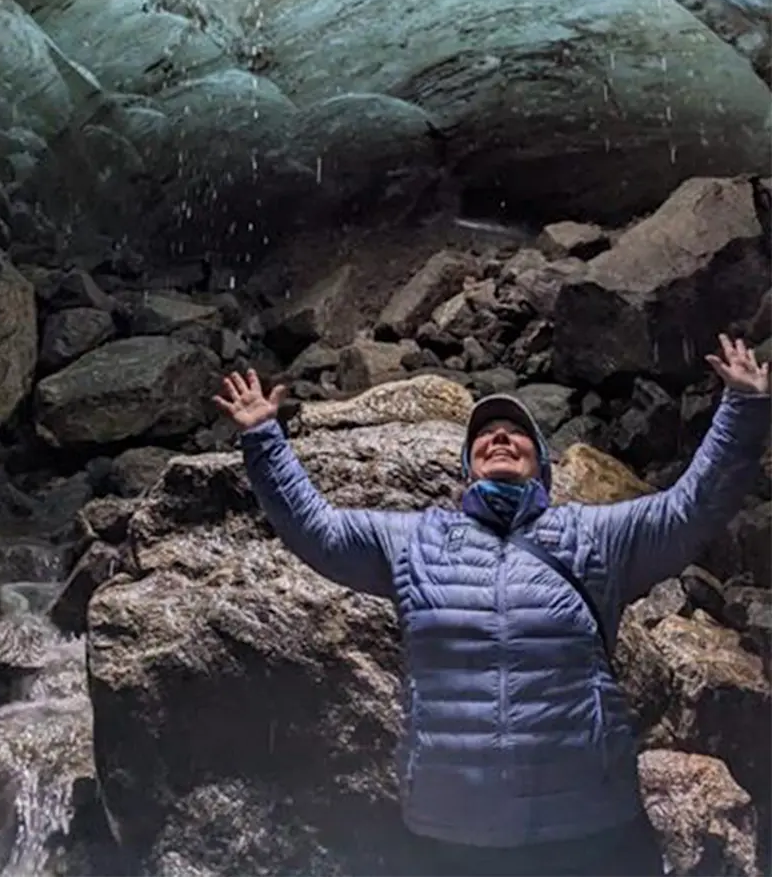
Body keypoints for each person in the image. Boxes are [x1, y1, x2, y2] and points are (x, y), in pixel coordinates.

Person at [215, 335, 770, 877]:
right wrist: (264, 438)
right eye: (486, 434)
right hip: (451, 832)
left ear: (542, 466)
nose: (500, 438)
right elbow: (319, 530)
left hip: (588, 827)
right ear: (467, 467)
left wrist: (742, 408)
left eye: (516, 434)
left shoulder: (594, 537)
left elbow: (691, 509)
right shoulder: (416, 542)